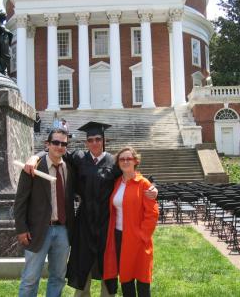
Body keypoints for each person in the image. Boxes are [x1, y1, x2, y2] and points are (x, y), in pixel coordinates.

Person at [24, 121, 158, 297]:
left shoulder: (113, 162)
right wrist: (36, 156)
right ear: (86, 142)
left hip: (106, 222)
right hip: (84, 221)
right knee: (82, 261)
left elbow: (133, 175)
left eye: (97, 139)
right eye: (90, 140)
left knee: (107, 262)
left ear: (103, 140)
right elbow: (56, 151)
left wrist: (153, 185)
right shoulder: (79, 158)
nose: (94, 143)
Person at [14, 128, 76, 297]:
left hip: (63, 231)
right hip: (37, 231)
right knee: (31, 278)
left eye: (64, 144)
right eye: (55, 142)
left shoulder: (69, 168)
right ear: (47, 144)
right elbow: (20, 202)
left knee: (58, 277)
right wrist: (21, 229)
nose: (59, 146)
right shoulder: (33, 168)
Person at [103, 147, 159, 297]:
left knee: (142, 281)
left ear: (135, 161)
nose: (126, 161)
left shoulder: (144, 184)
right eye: (122, 159)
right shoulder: (116, 183)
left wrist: (142, 235)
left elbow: (152, 213)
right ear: (118, 163)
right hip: (119, 237)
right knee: (126, 279)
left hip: (139, 239)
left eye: (129, 158)